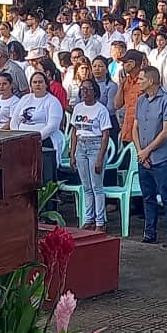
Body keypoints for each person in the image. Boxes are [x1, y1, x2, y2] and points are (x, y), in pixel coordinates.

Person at [132, 66, 167, 249]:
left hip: (160, 158)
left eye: (141, 79)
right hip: (143, 156)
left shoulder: (166, 101)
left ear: (151, 81)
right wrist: (140, 151)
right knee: (148, 196)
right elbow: (135, 128)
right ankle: (149, 232)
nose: (139, 82)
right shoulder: (141, 101)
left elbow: (166, 131)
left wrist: (147, 151)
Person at [70, 79, 112, 232]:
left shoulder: (101, 110)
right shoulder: (78, 108)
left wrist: (100, 157)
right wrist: (73, 152)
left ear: (95, 91)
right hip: (81, 145)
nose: (85, 92)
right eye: (82, 90)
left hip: (95, 145)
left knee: (97, 186)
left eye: (88, 89)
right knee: (86, 186)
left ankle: (100, 221)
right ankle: (89, 219)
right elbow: (74, 131)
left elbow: (106, 134)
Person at [11, 71, 65, 184]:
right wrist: (17, 136)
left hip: (44, 142)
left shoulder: (52, 102)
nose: (37, 85)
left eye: (40, 82)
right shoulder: (25, 99)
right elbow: (15, 120)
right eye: (34, 82)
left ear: (46, 84)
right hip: (21, 141)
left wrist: (34, 139)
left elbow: (52, 126)